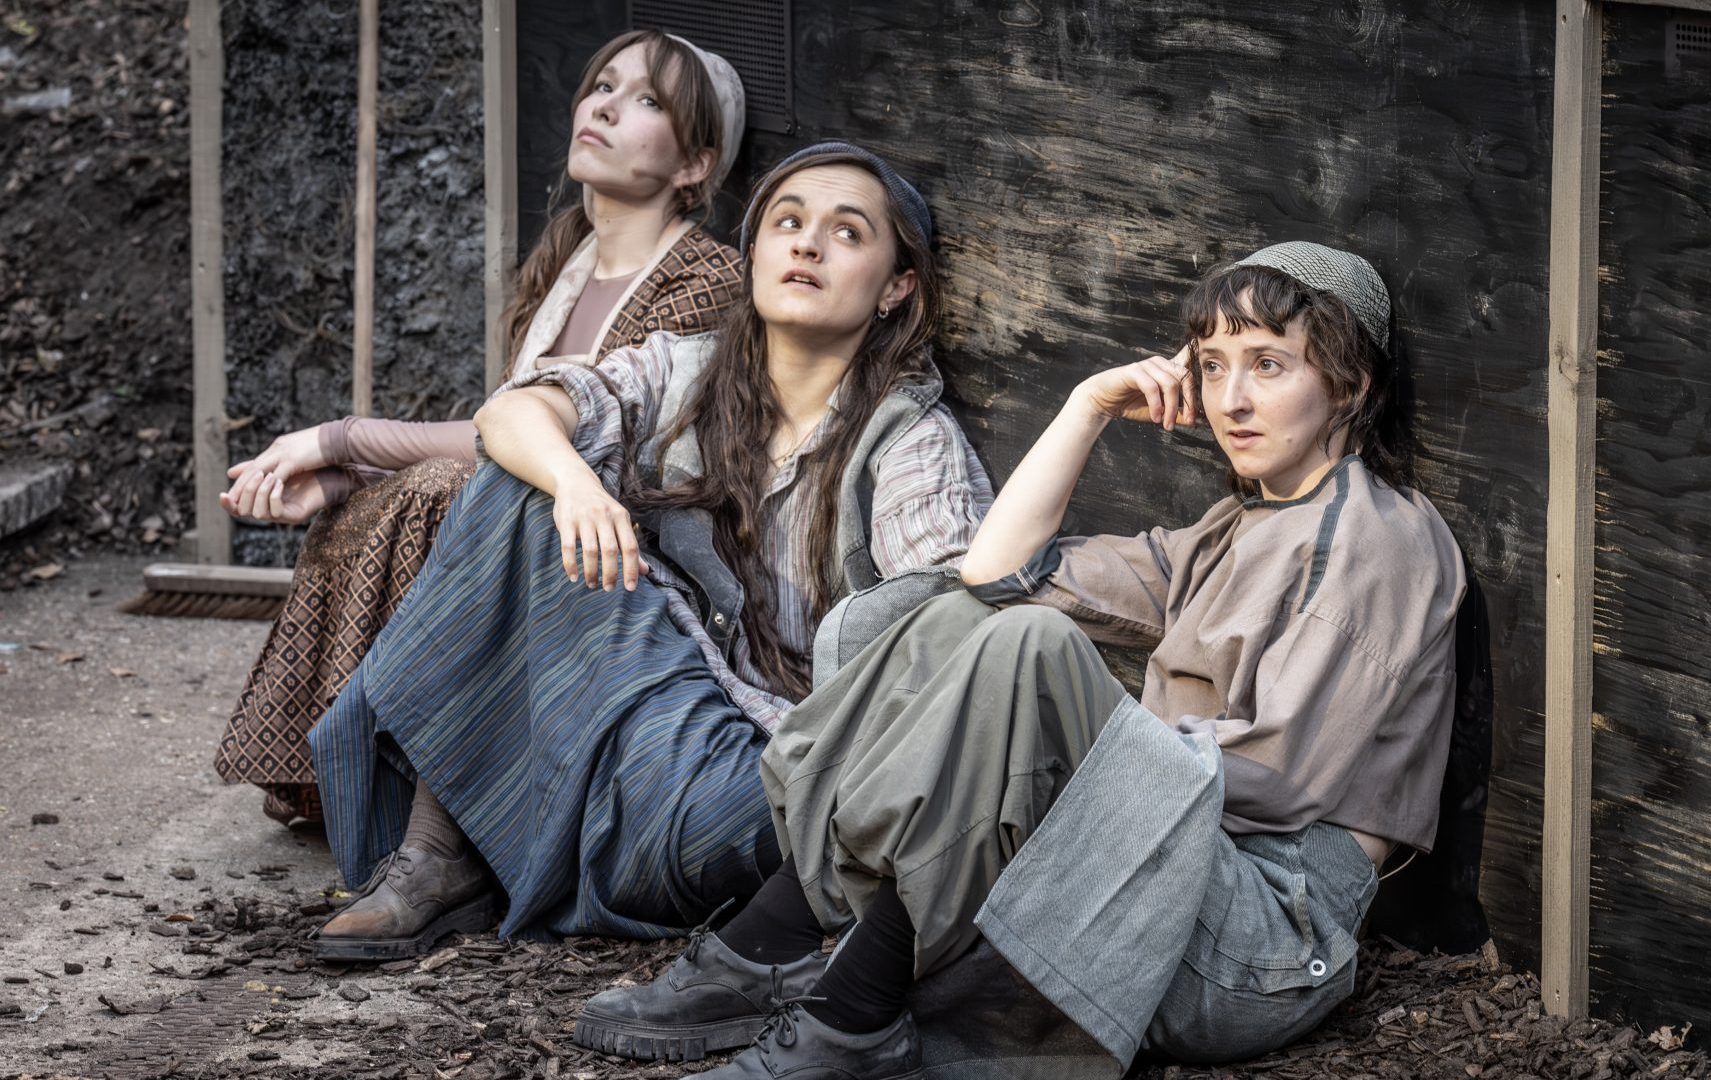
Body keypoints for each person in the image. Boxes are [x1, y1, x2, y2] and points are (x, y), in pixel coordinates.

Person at [577, 242, 1465, 1079]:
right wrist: (1088, 404)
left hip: (1255, 944)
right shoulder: (1231, 529)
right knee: (939, 616)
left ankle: (834, 998)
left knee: (1028, 653)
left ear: (1348, 383)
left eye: (1268, 365)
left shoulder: (1372, 541)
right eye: (1212, 364)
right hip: (1163, 879)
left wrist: (1041, 762)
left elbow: (1276, 783)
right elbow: (994, 570)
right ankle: (790, 958)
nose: (1230, 399)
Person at [304, 141, 995, 964]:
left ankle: (513, 848)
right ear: (754, 257)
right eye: (788, 223)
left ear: (896, 287)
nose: (808, 244)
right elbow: (512, 415)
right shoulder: (684, 369)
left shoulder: (910, 441)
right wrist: (578, 486)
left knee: (790, 811)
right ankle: (440, 855)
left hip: (752, 778)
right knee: (518, 485)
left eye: (847, 234)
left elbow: (950, 624)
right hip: (630, 709)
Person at [212, 29, 748, 826]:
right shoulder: (566, 259)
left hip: (635, 551)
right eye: (601, 84)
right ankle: (356, 784)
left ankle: (439, 812)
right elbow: (505, 429)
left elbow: (572, 444)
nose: (603, 104)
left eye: (645, 101)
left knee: (434, 490)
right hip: (545, 512)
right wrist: (345, 479)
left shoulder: (706, 280)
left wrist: (344, 439)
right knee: (402, 493)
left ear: (695, 164)